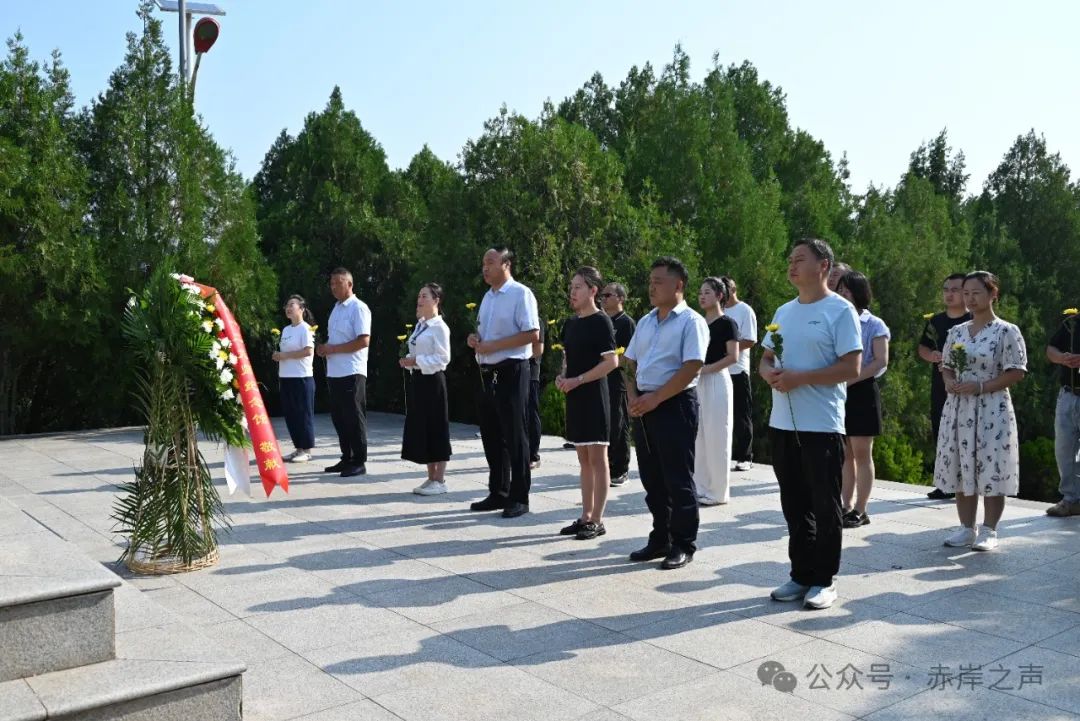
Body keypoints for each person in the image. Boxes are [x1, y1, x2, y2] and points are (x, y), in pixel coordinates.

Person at [761, 239, 861, 610]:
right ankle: (800, 574)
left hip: (821, 424)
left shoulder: (840, 311)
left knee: (824, 502)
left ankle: (824, 579)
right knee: (794, 502)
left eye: (799, 259)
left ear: (823, 266)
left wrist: (801, 377)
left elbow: (851, 368)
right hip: (783, 422)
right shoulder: (784, 311)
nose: (791, 265)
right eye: (789, 260)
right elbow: (766, 359)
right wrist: (769, 373)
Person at [625, 257, 709, 570]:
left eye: (658, 281)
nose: (652, 287)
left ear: (679, 285)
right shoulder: (646, 322)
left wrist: (657, 398)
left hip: (675, 404)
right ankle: (660, 537)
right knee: (652, 478)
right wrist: (633, 397)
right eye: (651, 281)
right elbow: (630, 362)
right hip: (645, 405)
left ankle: (683, 542)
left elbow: (692, 366)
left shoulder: (691, 322)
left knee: (677, 477)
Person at [934, 271, 1027, 551]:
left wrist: (982, 386)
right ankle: (966, 528)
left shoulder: (1007, 331)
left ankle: (990, 529)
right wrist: (949, 381)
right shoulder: (956, 331)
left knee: (992, 464)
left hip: (991, 408)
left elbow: (1017, 372)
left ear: (993, 294)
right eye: (966, 293)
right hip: (959, 407)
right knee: (962, 464)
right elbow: (946, 365)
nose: (970, 299)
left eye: (976, 293)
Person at [467, 248, 540, 518]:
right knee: (491, 433)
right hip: (487, 371)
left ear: (506, 264)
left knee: (514, 434)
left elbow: (532, 333)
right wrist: (474, 340)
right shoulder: (487, 297)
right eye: (483, 262)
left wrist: (494, 345)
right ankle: (499, 491)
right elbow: (484, 333)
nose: (485, 268)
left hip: (512, 370)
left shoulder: (521, 293)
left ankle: (519, 497)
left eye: (490, 262)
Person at [556, 267, 619, 540]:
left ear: (593, 291)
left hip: (594, 396)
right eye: (572, 286)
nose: (573, 292)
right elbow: (568, 357)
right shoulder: (570, 323)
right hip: (575, 395)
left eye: (579, 286)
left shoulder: (601, 322)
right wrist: (563, 376)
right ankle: (585, 515)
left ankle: (598, 519)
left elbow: (611, 362)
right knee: (582, 458)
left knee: (597, 457)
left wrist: (579, 380)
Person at [835, 271, 890, 528]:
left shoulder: (875, 324)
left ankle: (861, 508)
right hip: (838, 390)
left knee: (861, 453)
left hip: (863, 390)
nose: (842, 293)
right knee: (844, 453)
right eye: (840, 289)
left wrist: (851, 377)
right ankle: (844, 505)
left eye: (846, 289)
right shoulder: (834, 318)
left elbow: (881, 360)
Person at [919, 273, 971, 500]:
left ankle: (967, 482)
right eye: (946, 289)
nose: (949, 294)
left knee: (966, 433)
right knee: (941, 431)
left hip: (969, 387)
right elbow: (923, 347)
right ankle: (944, 483)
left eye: (955, 289)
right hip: (941, 386)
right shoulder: (935, 322)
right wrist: (932, 355)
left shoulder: (973, 320)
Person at [316, 269, 371, 477]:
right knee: (339, 417)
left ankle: (359, 461)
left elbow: (363, 340)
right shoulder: (336, 308)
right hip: (335, 371)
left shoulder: (359, 308)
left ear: (350, 284)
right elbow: (336, 340)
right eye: (331, 284)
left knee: (354, 417)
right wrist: (324, 348)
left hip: (352, 371)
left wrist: (334, 349)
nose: (333, 288)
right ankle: (346, 457)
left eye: (338, 283)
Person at [400, 283, 453, 495]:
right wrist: (410, 362)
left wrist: (416, 360)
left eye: (424, 296)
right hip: (420, 380)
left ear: (436, 301)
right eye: (419, 296)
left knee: (436, 426)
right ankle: (430, 477)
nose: (419, 300)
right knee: (424, 427)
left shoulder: (440, 327)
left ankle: (440, 479)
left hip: (433, 382)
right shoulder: (421, 325)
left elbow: (443, 358)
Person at [694, 277, 739, 505]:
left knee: (717, 435)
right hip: (697, 380)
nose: (702, 296)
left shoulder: (727, 323)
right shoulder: (698, 323)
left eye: (707, 292)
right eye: (700, 292)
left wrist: (707, 369)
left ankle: (718, 492)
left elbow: (733, 356)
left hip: (717, 380)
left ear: (720, 296)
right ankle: (701, 486)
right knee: (699, 435)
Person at [601, 281, 636, 486]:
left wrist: (610, 362)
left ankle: (620, 468)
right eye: (602, 296)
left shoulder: (626, 323)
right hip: (601, 377)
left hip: (618, 378)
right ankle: (606, 464)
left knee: (618, 423)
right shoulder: (603, 320)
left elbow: (629, 355)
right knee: (604, 423)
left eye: (608, 295)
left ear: (620, 299)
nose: (603, 299)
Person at [273, 295, 316, 463]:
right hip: (286, 377)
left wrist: (284, 355)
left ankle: (307, 450)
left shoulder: (305, 329)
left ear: (302, 309)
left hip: (302, 378)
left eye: (292, 305)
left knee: (303, 414)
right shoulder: (286, 330)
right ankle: (298, 448)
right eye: (286, 305)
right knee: (291, 415)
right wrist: (278, 356)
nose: (288, 308)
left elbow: (308, 351)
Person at [1046, 307, 1080, 517]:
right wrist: (1062, 358)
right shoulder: (1072, 323)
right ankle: (1070, 499)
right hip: (1068, 395)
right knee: (1064, 450)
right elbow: (1051, 349)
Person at [723, 276, 758, 471]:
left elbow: (750, 340)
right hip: (717, 369)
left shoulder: (744, 310)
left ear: (732, 289)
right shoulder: (718, 311)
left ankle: (745, 456)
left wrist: (729, 349)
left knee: (741, 414)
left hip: (738, 369)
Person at [528, 323, 545, 469]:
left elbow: (539, 349)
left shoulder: (536, 320)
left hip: (530, 374)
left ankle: (533, 455)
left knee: (531, 414)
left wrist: (518, 356)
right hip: (512, 373)